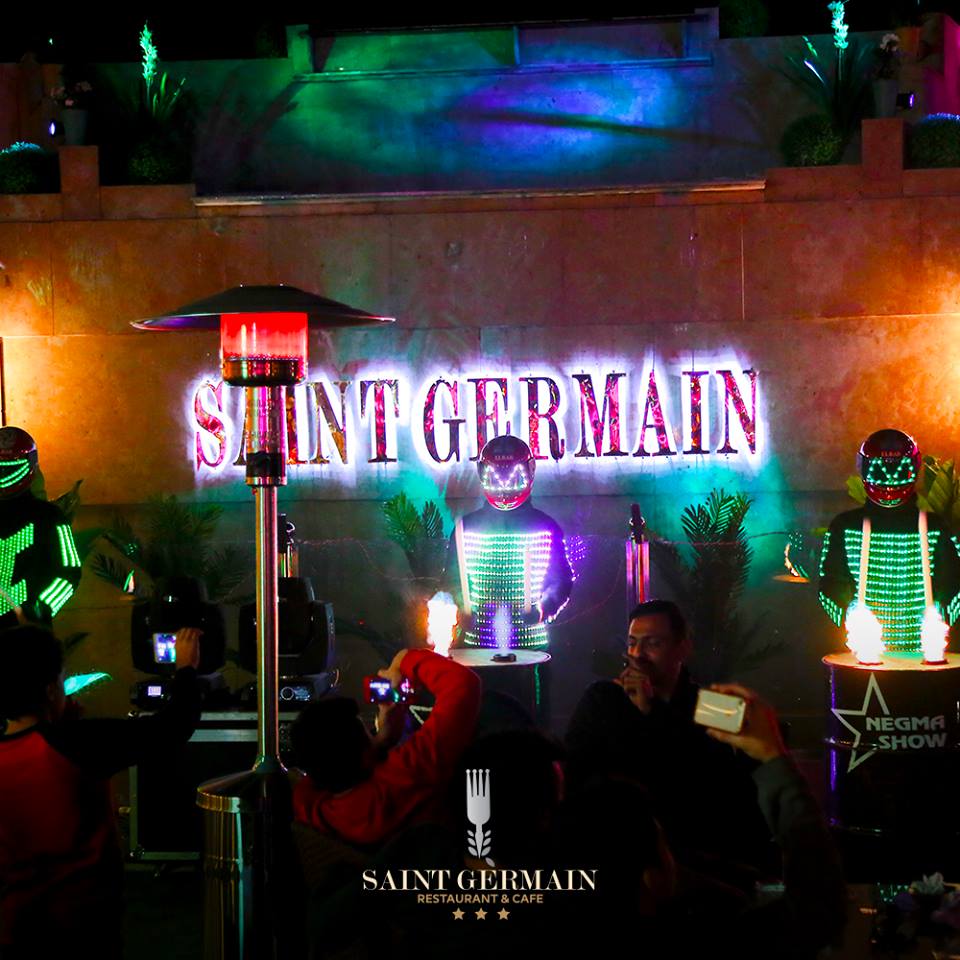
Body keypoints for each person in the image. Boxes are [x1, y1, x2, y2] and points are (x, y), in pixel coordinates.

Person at [561, 684, 846, 960]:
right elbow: (817, 909)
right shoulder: (716, 938)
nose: (636, 657)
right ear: (653, 876)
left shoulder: (555, 910)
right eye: (661, 843)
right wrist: (773, 756)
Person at [0, 623, 202, 957]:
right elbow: (174, 725)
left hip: (15, 926)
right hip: (85, 926)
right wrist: (186, 668)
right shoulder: (80, 744)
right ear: (50, 690)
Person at [565, 599, 772, 874]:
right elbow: (577, 772)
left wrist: (652, 711)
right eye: (632, 643)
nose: (638, 654)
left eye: (653, 643)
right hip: (614, 847)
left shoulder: (712, 707)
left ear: (682, 648)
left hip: (696, 850)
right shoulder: (602, 699)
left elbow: (720, 787)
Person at [290, 647, 481, 848]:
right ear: (364, 754)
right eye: (367, 731)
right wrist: (403, 660)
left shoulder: (314, 811)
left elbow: (310, 772)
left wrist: (382, 741)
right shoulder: (410, 771)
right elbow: (464, 684)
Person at [819, 428, 960, 657]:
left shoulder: (936, 528)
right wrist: (852, 616)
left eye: (900, 470)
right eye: (880, 470)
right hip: (864, 656)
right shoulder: (844, 527)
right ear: (864, 469)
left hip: (924, 657)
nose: (890, 480)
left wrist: (938, 620)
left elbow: (953, 585)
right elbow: (830, 587)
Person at [447, 435, 572, 650]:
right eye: (495, 477)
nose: (504, 487)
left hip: (530, 646)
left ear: (530, 471)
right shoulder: (465, 528)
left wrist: (542, 609)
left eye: (514, 477)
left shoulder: (546, 528)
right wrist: (461, 607)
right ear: (481, 473)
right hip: (477, 646)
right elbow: (451, 580)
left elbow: (561, 581)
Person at [0, 427, 82, 628]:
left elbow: (69, 571)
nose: (3, 474)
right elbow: (69, 572)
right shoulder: (51, 516)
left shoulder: (50, 517)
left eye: (9, 468)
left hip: (29, 634)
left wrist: (41, 607)